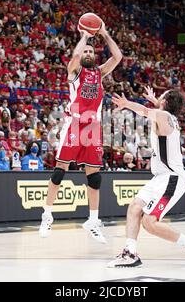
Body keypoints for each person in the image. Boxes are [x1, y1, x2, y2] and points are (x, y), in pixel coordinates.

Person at [39, 20, 122, 243]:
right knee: (59, 173)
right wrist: (85, 36)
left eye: (90, 51)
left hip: (93, 128)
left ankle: (93, 221)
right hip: (75, 124)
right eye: (85, 50)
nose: (87, 53)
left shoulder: (100, 72)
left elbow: (118, 57)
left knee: (95, 178)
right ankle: (47, 215)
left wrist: (104, 33)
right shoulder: (74, 72)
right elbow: (74, 58)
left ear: (94, 55)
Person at [107, 89, 185, 268]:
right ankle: (130, 253)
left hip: (172, 178)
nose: (159, 95)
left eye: (162, 94)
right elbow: (157, 112)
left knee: (149, 222)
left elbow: (145, 112)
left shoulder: (162, 115)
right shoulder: (166, 117)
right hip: (160, 177)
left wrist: (126, 104)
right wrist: (155, 101)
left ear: (165, 101)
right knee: (134, 207)